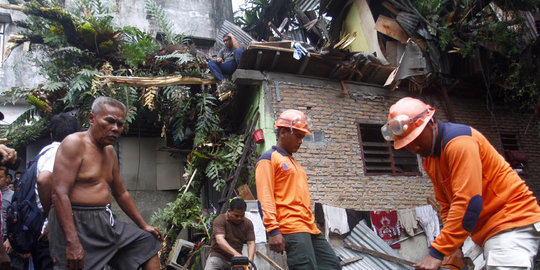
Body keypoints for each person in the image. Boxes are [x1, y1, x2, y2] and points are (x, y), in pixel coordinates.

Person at [382, 97, 540, 270]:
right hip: (488, 231)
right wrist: (453, 248)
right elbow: (447, 206)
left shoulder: (459, 142)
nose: (415, 148)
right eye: (408, 145)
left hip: (511, 221)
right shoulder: (431, 161)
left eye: (418, 139)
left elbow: (469, 202)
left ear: (432, 122)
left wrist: (437, 252)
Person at [49, 96, 163, 270]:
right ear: (91, 118)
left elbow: (121, 193)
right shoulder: (74, 144)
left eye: (120, 124)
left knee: (147, 243)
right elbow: (59, 193)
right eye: (109, 121)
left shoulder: (110, 152)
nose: (115, 129)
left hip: (105, 220)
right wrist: (72, 242)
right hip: (77, 221)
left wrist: (143, 224)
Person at [255, 109, 342, 270]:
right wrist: (273, 230)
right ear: (283, 132)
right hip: (291, 227)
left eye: (302, 137)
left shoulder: (295, 163)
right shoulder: (268, 159)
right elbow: (265, 197)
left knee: (332, 264)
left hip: (310, 227)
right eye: (298, 136)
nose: (301, 141)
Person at [27, 112, 79, 270]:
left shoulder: (45, 151)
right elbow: (44, 180)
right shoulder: (60, 152)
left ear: (51, 134)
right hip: (51, 233)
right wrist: (53, 218)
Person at [205, 197, 255, 270]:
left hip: (236, 261)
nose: (239, 218)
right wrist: (235, 254)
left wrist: (250, 261)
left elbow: (251, 243)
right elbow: (220, 240)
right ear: (229, 211)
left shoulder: (248, 223)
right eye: (236, 216)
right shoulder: (220, 220)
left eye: (242, 215)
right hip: (218, 257)